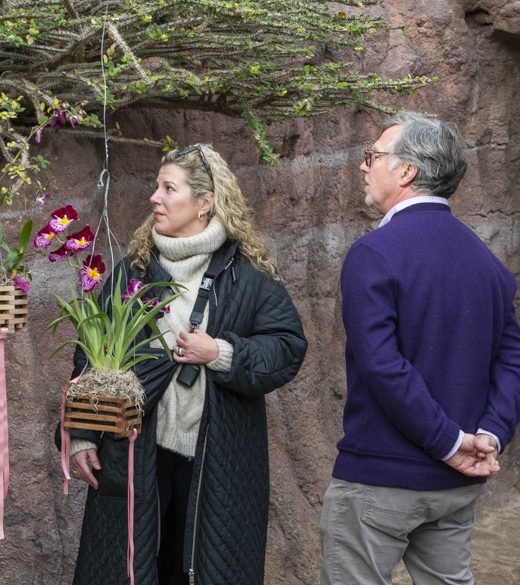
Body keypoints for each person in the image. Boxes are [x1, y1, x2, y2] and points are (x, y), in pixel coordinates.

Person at [57, 144, 307, 584]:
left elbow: (287, 348)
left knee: (199, 568)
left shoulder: (248, 275)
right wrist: (81, 434)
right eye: (157, 187)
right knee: (128, 567)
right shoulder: (134, 270)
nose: (154, 197)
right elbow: (90, 354)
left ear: (205, 203)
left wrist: (220, 353)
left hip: (218, 458)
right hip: (136, 450)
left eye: (168, 188)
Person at [319, 112, 520, 585]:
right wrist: (490, 433)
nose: (364, 167)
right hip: (457, 484)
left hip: (380, 479)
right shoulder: (488, 264)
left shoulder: (375, 253)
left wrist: (449, 444)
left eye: (373, 156)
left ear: (407, 171)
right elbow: (512, 358)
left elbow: (383, 367)